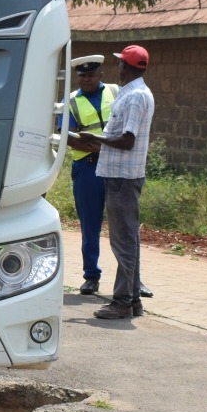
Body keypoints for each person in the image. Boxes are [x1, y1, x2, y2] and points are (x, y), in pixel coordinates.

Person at [69, 45, 153, 321]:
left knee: (123, 242)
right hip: (109, 173)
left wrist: (97, 141)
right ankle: (133, 300)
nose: (86, 77)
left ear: (124, 67)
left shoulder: (132, 96)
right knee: (121, 237)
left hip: (121, 176)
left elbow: (127, 140)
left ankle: (122, 301)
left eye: (120, 64)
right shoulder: (132, 93)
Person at [65, 60, 115, 296]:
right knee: (90, 224)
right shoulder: (72, 101)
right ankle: (91, 276)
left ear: (100, 74)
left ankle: (131, 278)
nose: (86, 79)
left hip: (116, 166)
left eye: (91, 75)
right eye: (82, 76)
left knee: (123, 225)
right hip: (87, 167)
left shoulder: (116, 92)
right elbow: (68, 136)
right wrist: (97, 149)